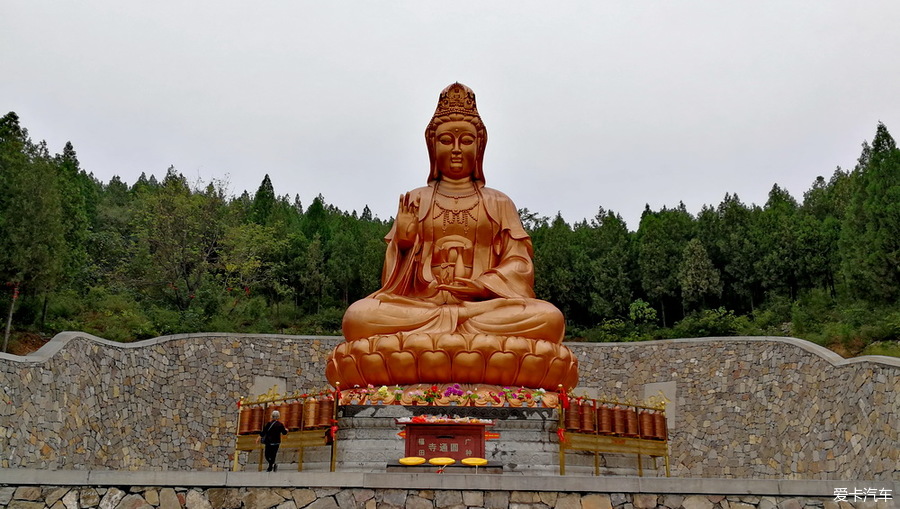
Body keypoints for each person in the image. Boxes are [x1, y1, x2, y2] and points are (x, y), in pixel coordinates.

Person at [341, 82, 565, 343]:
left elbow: (520, 264)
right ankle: (462, 339)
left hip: (481, 309)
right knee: (358, 317)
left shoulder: (499, 202)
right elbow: (392, 285)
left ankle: (439, 339)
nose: (456, 149)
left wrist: (483, 286)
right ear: (433, 148)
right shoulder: (416, 200)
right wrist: (403, 245)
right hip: (423, 308)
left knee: (549, 318)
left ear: (479, 148)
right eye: (446, 140)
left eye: (466, 141)